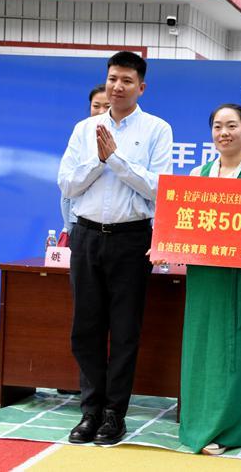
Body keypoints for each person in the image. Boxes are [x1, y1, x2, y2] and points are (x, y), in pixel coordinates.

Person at [57, 51, 173, 445]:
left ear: (141, 87)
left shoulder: (157, 129)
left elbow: (160, 188)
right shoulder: (84, 129)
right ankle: (89, 411)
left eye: (126, 80)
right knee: (85, 328)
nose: (117, 87)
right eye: (112, 79)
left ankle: (113, 415)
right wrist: (99, 161)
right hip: (86, 235)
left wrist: (117, 161)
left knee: (125, 330)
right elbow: (67, 184)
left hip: (132, 238)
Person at [178, 103, 241, 456]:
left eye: (232, 125)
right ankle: (196, 424)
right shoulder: (198, 173)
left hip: (239, 276)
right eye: (217, 126)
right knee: (201, 346)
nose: (224, 133)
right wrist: (164, 246)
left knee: (236, 349)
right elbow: (183, 225)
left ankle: (230, 429)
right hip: (204, 276)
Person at [59, 84, 110, 246]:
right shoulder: (81, 132)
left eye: (107, 106)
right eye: (96, 106)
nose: (101, 111)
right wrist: (69, 228)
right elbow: (66, 191)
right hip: (81, 224)